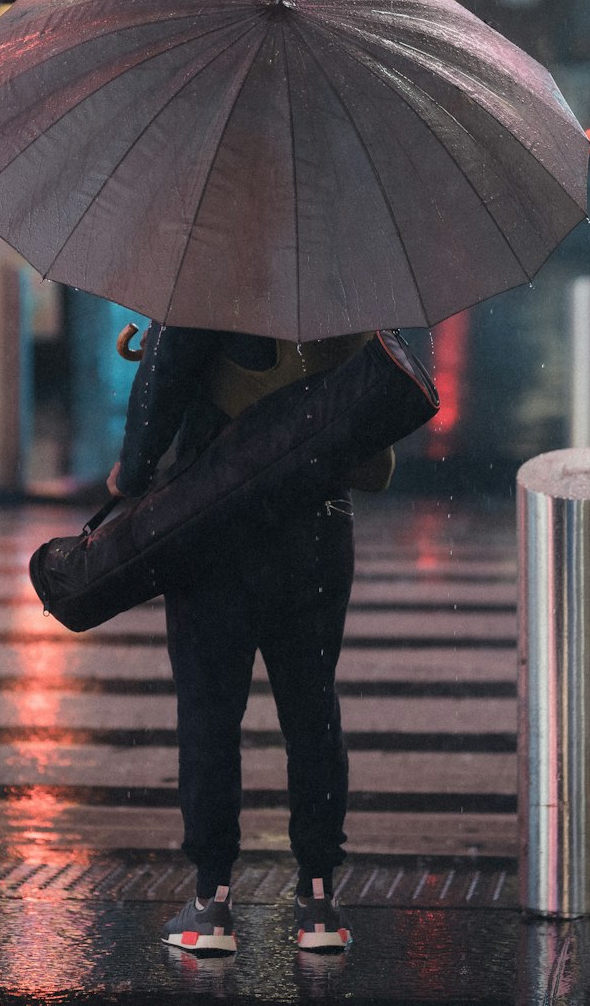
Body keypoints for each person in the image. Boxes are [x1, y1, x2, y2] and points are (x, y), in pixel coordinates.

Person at [107, 322, 395, 956]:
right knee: (312, 705)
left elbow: (168, 376)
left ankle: (212, 903)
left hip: (215, 519)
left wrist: (131, 473)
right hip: (316, 521)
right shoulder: (341, 276)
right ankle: (319, 902)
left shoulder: (215, 264)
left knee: (210, 712)